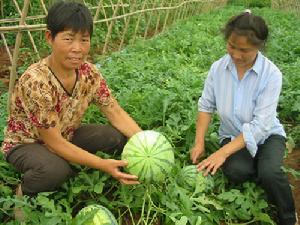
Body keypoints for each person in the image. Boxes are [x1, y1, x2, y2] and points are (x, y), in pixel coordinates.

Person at [1, 0, 142, 199]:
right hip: (27, 143)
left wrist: (147, 142)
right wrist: (102, 165)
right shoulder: (36, 81)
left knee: (114, 136)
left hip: (66, 134)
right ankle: (24, 193)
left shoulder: (89, 73)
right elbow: (55, 143)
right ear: (50, 37)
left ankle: (70, 162)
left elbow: (115, 111)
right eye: (69, 39)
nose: (77, 48)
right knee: (56, 170)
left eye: (84, 40)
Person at [190, 10, 297, 225]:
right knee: (236, 172)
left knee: (270, 173)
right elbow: (206, 106)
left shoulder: (272, 74)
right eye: (231, 46)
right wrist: (199, 142)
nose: (236, 55)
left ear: (259, 46)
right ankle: (259, 167)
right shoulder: (217, 69)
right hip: (232, 134)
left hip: (267, 136)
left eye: (244, 50)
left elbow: (260, 126)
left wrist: (221, 153)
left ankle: (289, 217)